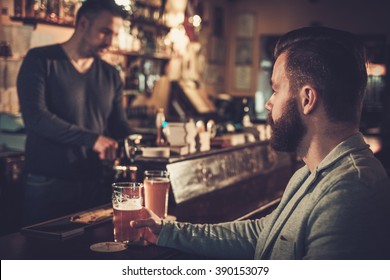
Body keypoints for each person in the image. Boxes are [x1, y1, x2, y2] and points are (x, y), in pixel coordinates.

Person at [130, 26, 390, 259]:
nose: (269, 102)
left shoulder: (350, 192)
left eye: (276, 90)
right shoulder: (310, 174)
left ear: (307, 99)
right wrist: (167, 231)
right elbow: (265, 234)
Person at [17, 0, 131, 226]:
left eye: (114, 34)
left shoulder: (111, 74)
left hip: (95, 181)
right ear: (83, 24)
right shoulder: (41, 60)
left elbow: (119, 125)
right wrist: (92, 140)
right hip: (48, 181)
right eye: (104, 32)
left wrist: (144, 141)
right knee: (43, 256)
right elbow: (35, 118)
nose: (110, 41)